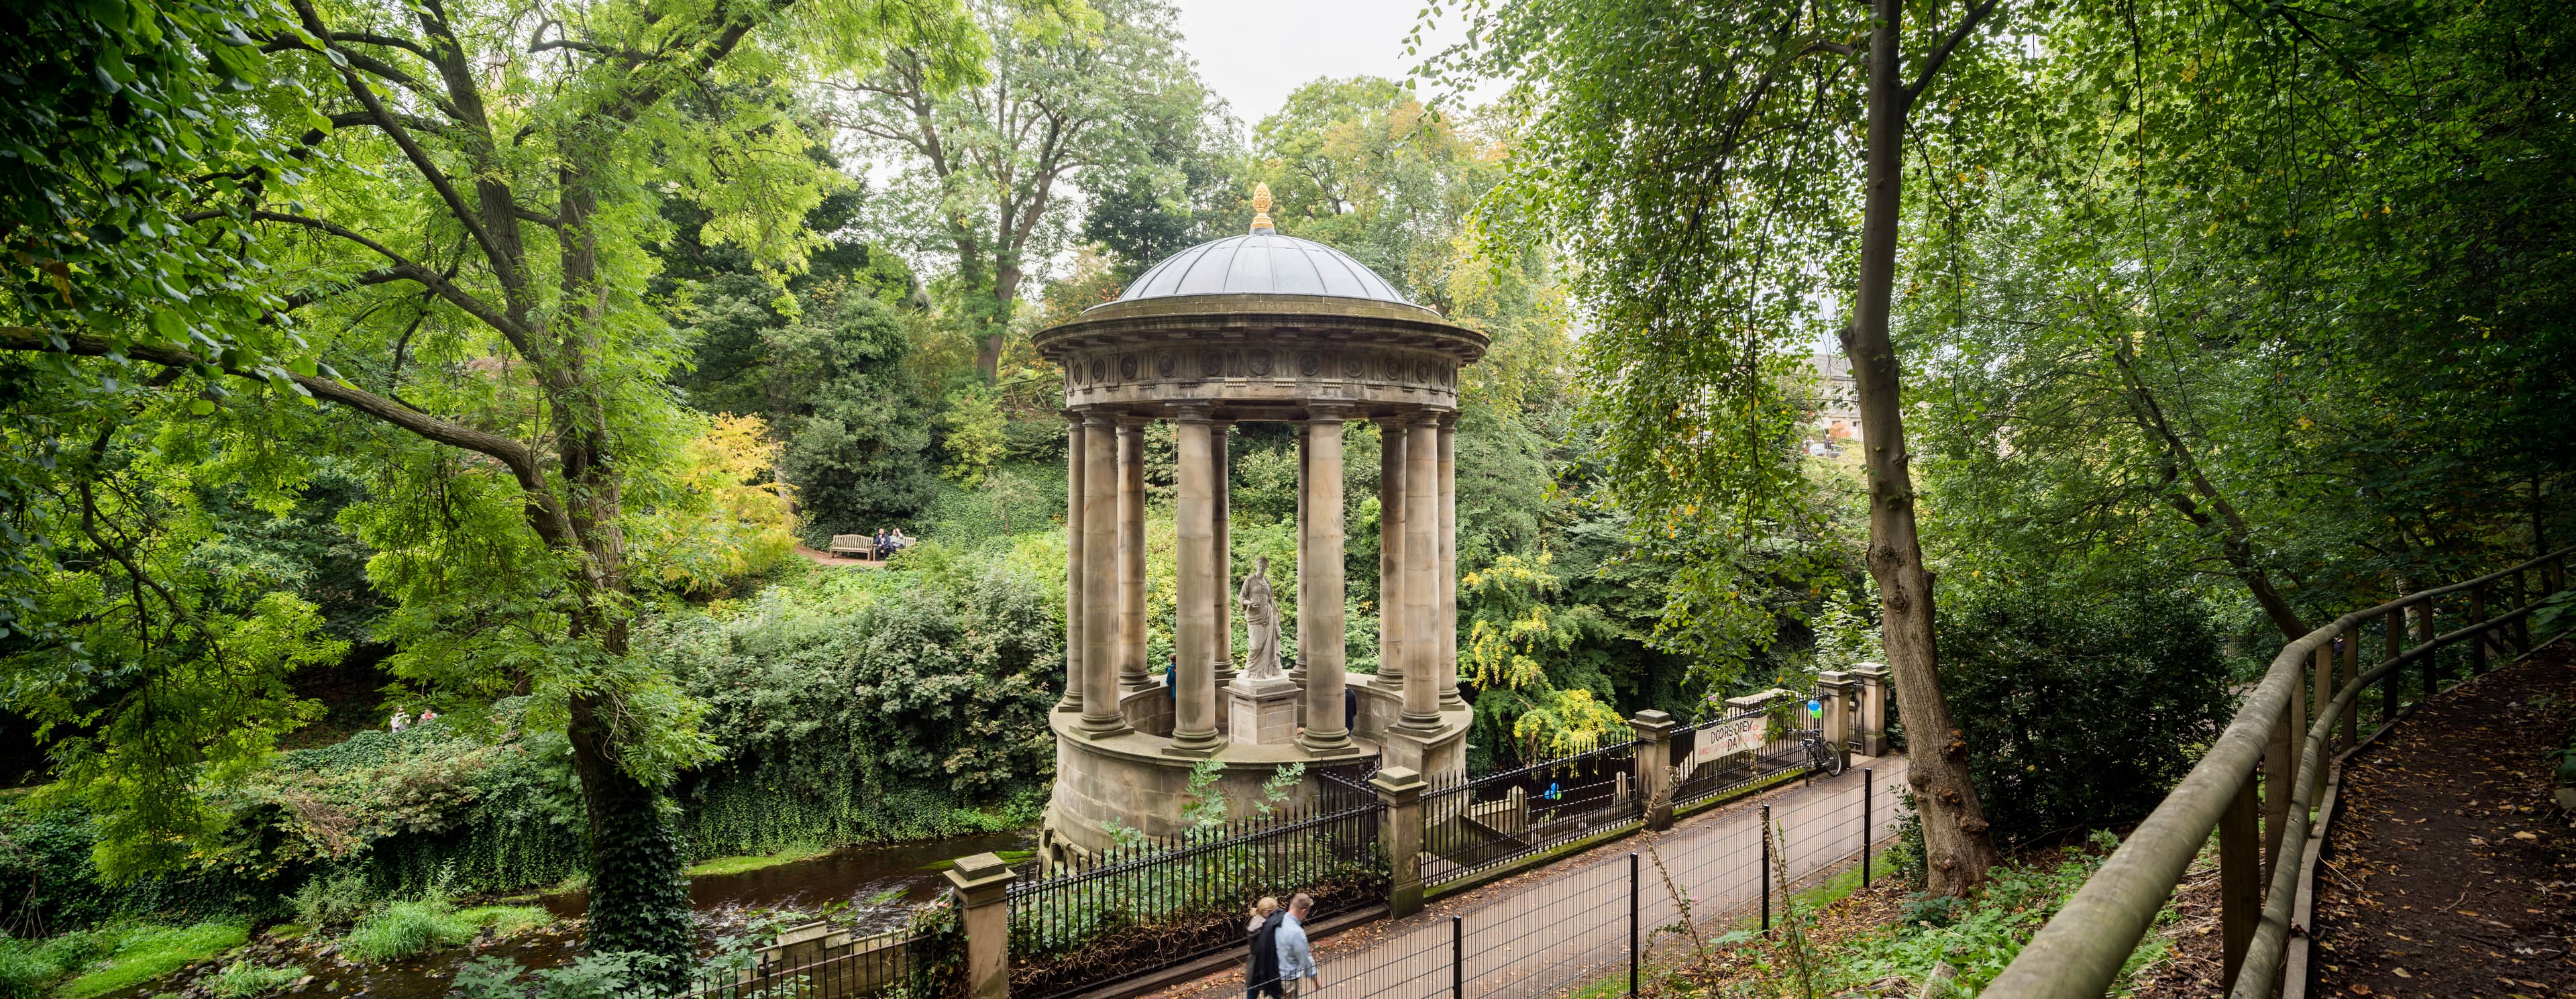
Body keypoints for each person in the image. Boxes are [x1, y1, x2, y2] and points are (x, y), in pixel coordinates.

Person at [1275, 893, 1319, 996]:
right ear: (1304, 911)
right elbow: (1305, 958)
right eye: (1307, 913)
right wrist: (1315, 979)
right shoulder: (1297, 932)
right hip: (1288, 980)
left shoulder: (1278, 921)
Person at [1245, 897, 1286, 999]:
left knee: (1252, 993)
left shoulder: (1255, 922)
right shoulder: (1267, 927)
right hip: (1267, 967)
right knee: (1276, 993)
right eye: (1275, 911)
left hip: (1253, 968)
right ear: (1267, 912)